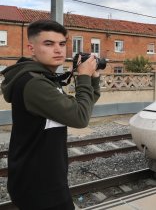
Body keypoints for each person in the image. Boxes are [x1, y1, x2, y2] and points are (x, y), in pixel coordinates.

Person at [0, 19, 101, 210]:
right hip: (39, 185)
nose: (59, 50)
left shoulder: (45, 79)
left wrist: (92, 80)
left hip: (45, 179)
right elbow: (80, 118)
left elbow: (81, 108)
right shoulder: (34, 83)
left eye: (62, 44)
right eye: (49, 44)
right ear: (31, 48)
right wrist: (84, 77)